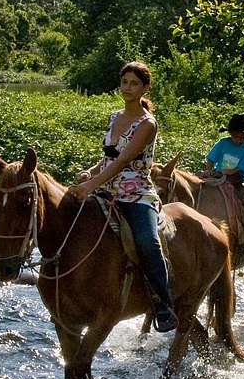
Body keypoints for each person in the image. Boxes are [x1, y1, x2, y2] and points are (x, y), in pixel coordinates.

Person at [71, 61, 178, 333]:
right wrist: (90, 172)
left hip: (135, 193)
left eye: (134, 83)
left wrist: (92, 183)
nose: (127, 88)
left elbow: (123, 161)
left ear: (144, 88)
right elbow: (109, 157)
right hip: (106, 189)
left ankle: (163, 303)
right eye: (124, 82)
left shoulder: (147, 123)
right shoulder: (114, 116)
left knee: (147, 241)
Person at [204, 113, 244, 185]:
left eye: (242, 138)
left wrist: (230, 172)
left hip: (238, 177)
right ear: (230, 134)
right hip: (219, 173)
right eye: (235, 137)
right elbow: (211, 158)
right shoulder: (223, 142)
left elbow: (242, 167)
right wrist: (208, 169)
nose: (238, 140)